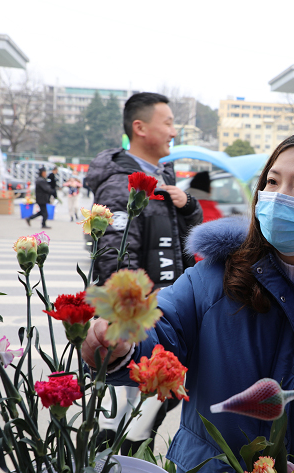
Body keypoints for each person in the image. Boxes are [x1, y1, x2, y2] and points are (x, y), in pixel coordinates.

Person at [82, 131, 294, 472]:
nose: (278, 197)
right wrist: (118, 347)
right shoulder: (214, 277)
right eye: (273, 182)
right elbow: (160, 333)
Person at [85, 92, 203, 456]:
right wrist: (132, 321)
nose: (173, 130)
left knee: (154, 403)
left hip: (167, 308)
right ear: (140, 128)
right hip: (142, 320)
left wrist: (188, 207)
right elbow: (113, 257)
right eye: (167, 122)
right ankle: (111, 457)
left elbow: (187, 238)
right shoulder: (124, 182)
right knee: (137, 411)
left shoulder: (162, 174)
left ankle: (120, 453)